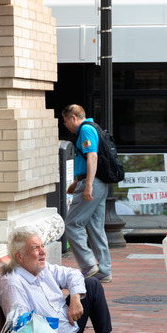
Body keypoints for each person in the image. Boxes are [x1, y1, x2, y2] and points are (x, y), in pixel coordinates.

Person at [0, 226, 138, 333]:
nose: (43, 252)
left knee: (92, 284)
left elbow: (74, 274)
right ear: (20, 256)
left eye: (42, 246)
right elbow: (21, 327)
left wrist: (75, 299)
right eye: (36, 248)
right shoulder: (13, 284)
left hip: (70, 321)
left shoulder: (43, 268)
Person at [62, 104, 112, 283]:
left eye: (65, 120)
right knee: (95, 228)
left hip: (92, 183)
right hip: (96, 182)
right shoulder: (93, 128)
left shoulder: (85, 130)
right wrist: (77, 182)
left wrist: (87, 184)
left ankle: (88, 265)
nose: (65, 125)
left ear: (73, 118)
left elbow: (92, 156)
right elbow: (87, 159)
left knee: (72, 224)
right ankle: (104, 270)